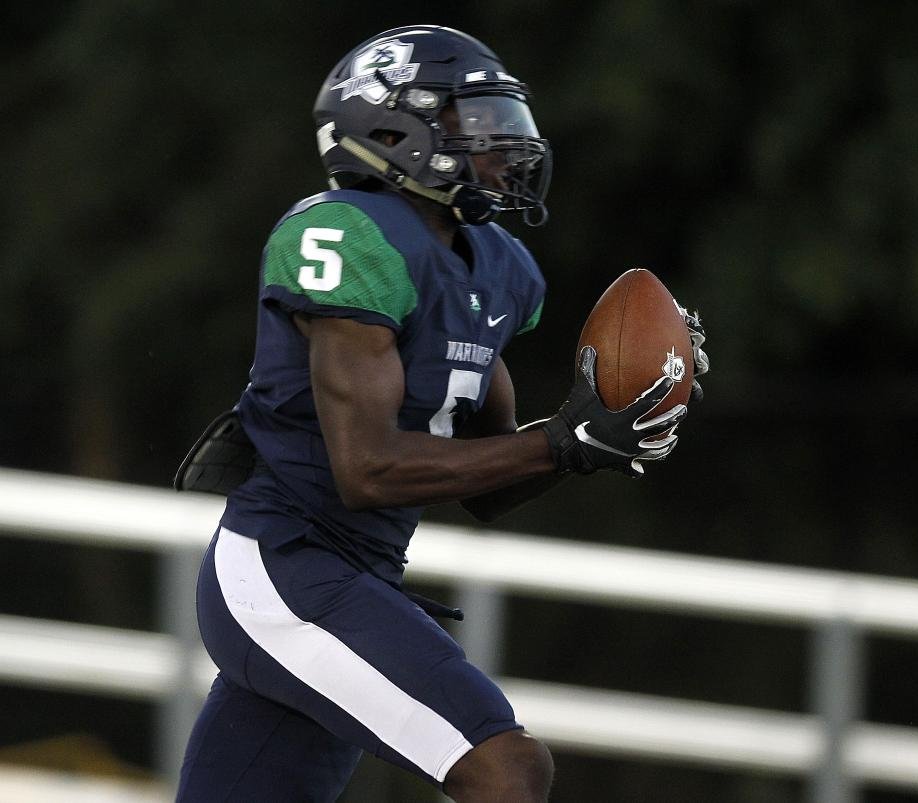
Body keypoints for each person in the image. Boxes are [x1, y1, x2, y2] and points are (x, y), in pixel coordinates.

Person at [175, 24, 708, 803]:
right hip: (285, 564)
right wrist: (563, 441)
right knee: (508, 766)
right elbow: (369, 468)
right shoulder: (348, 237)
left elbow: (488, 485)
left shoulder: (494, 266)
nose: (503, 145)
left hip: (360, 573)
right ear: (392, 130)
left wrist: (596, 437)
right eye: (474, 121)